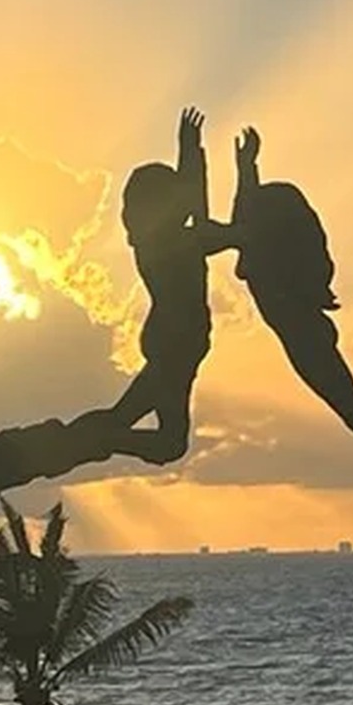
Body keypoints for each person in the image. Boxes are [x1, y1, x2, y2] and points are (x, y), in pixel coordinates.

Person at [228, 127, 353, 445]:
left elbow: (241, 227)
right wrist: (247, 168)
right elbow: (245, 219)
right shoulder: (267, 255)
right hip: (308, 326)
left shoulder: (273, 272)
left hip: (306, 334)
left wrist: (244, 173)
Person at [78, 109, 237, 464]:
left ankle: (96, 437)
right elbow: (205, 215)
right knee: (164, 441)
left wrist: (191, 149)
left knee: (161, 438)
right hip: (175, 344)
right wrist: (192, 152)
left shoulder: (158, 243)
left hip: (177, 342)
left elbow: (197, 207)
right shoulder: (175, 243)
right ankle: (95, 438)